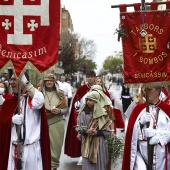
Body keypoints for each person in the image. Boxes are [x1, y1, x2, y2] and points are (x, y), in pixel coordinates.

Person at [0, 73, 51, 170]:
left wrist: (26, 82)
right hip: (13, 148)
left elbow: (39, 100)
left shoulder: (33, 99)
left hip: (31, 149)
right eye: (11, 80)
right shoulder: (10, 100)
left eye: (15, 79)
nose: (12, 82)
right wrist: (10, 119)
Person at [122, 85, 170, 170]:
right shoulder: (138, 109)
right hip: (142, 153)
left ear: (158, 91)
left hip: (161, 155)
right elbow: (130, 131)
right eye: (145, 90)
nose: (146, 92)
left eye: (149, 89)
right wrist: (140, 123)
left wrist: (157, 135)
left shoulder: (167, 109)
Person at [76, 91, 112, 170]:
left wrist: (97, 132)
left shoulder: (103, 115)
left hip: (100, 145)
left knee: (100, 165)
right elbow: (79, 128)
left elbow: (108, 132)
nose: (88, 102)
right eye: (87, 100)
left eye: (91, 100)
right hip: (87, 144)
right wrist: (86, 131)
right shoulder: (83, 114)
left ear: (96, 101)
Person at [64, 70, 96, 158]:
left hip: (95, 116)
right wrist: (76, 105)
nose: (89, 78)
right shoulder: (82, 89)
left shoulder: (98, 88)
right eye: (88, 77)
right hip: (83, 115)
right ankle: (83, 154)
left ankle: (92, 155)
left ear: (94, 78)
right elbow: (76, 101)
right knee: (83, 135)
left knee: (93, 136)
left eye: (91, 77)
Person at [40, 73, 68, 170]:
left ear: (54, 82)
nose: (49, 82)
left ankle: (54, 168)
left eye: (51, 80)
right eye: (47, 80)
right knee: (42, 150)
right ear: (44, 82)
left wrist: (60, 111)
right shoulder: (39, 93)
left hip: (57, 124)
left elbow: (66, 109)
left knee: (55, 151)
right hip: (42, 125)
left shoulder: (60, 93)